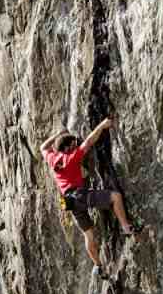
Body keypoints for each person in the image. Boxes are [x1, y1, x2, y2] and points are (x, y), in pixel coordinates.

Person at [40, 117, 140, 279]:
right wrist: (102, 124)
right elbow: (89, 142)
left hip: (69, 201)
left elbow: (43, 147)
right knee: (115, 197)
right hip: (79, 195)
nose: (75, 146)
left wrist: (58, 134)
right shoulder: (70, 159)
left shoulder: (52, 158)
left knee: (89, 235)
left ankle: (98, 266)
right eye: (73, 145)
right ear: (66, 149)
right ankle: (126, 228)